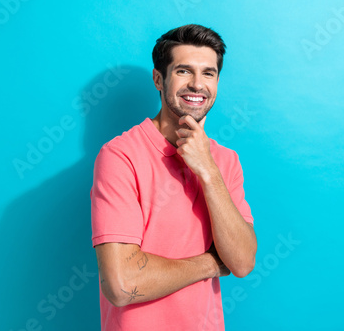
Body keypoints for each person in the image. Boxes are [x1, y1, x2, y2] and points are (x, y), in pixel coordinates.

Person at [90, 24, 257, 330]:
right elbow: (122, 284)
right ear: (158, 79)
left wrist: (207, 170)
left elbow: (243, 262)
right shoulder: (119, 156)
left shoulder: (225, 161)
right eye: (183, 71)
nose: (197, 84)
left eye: (208, 73)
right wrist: (210, 263)